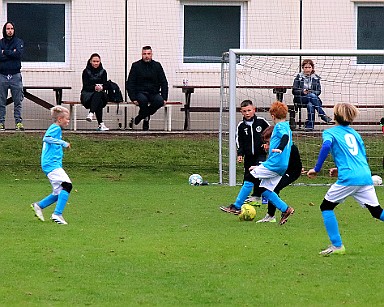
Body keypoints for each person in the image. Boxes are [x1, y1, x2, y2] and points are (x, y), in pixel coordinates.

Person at [307, 102, 384, 256]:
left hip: (349, 177)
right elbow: (360, 156)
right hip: (364, 175)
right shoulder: (355, 134)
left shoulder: (330, 133)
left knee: (326, 207)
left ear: (335, 116)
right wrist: (340, 169)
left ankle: (337, 246)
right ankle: (337, 246)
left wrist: (316, 169)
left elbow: (326, 146)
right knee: (376, 212)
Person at [220, 101, 295, 225]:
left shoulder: (280, 127)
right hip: (281, 165)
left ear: (273, 116)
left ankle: (236, 206)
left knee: (250, 177)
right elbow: (289, 141)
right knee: (263, 189)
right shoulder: (287, 126)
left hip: (274, 164)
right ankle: (285, 209)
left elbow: (285, 138)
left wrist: (280, 148)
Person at [30, 106, 73, 225]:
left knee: (59, 191)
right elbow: (47, 138)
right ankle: (57, 214)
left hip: (52, 163)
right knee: (67, 185)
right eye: (67, 119)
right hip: (51, 164)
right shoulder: (55, 128)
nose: (68, 121)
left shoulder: (56, 128)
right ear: (60, 119)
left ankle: (39, 205)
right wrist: (63, 143)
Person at [256, 125, 302, 223]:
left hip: (291, 172)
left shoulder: (289, 147)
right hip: (280, 171)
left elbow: (293, 164)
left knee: (274, 188)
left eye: (269, 142)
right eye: (267, 143)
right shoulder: (275, 147)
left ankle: (276, 213)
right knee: (268, 188)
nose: (267, 145)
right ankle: (272, 214)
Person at [126, 46, 168, 131]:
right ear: (141, 54)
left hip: (154, 93)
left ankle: (141, 116)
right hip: (140, 92)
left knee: (159, 101)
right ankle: (146, 119)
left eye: (148, 54)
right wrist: (133, 98)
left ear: (152, 54)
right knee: (143, 100)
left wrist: (164, 97)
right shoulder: (136, 66)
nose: (146, 56)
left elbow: (164, 82)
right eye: (144, 54)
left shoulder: (157, 65)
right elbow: (130, 83)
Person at [236, 99, 270, 199]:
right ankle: (244, 196)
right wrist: (240, 154)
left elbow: (270, 133)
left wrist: (266, 143)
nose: (247, 113)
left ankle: (258, 194)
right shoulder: (241, 126)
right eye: (244, 111)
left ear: (254, 110)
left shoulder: (261, 122)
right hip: (248, 155)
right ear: (241, 112)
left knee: (259, 172)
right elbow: (239, 141)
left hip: (261, 154)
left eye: (249, 110)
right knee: (248, 174)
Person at [292, 59, 332, 131]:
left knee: (310, 104)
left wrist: (311, 92)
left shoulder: (316, 78)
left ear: (312, 68)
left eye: (309, 67)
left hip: (312, 99)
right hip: (301, 98)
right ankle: (322, 115)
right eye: (306, 67)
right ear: (303, 68)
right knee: (312, 96)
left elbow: (318, 91)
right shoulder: (298, 77)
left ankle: (310, 127)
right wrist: (302, 91)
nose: (307, 69)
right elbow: (294, 91)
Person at [0, 21, 24, 131]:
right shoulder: (1, 42)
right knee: (1, 100)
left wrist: (5, 52)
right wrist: (11, 53)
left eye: (12, 29)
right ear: (5, 30)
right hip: (2, 75)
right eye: (8, 29)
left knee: (17, 101)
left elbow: (18, 54)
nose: (10, 31)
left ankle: (18, 123)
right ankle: (1, 123)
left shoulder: (19, 42)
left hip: (16, 75)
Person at [80, 53, 110, 131]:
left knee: (99, 93)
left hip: (100, 94)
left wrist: (102, 87)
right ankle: (101, 124)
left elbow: (106, 84)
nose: (96, 63)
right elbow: (86, 86)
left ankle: (91, 113)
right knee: (98, 101)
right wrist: (94, 87)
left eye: (97, 61)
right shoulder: (86, 72)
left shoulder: (103, 72)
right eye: (94, 61)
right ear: (90, 61)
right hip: (87, 96)